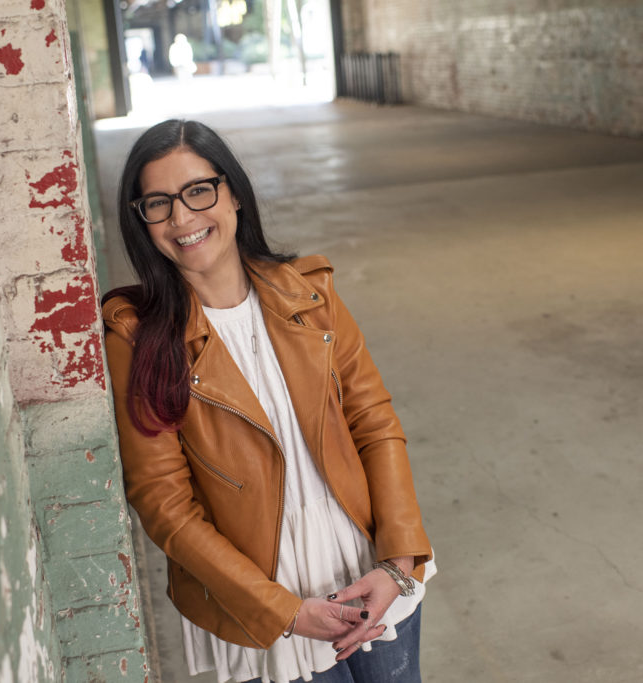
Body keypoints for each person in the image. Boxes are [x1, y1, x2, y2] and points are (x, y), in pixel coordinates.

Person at [102, 119, 435, 683]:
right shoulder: (136, 336)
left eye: (198, 191)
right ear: (142, 220)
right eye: (157, 204)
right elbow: (165, 506)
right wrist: (284, 610)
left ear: (232, 192)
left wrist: (398, 563)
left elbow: (374, 423)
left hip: (368, 564)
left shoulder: (310, 293)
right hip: (262, 597)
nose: (182, 218)